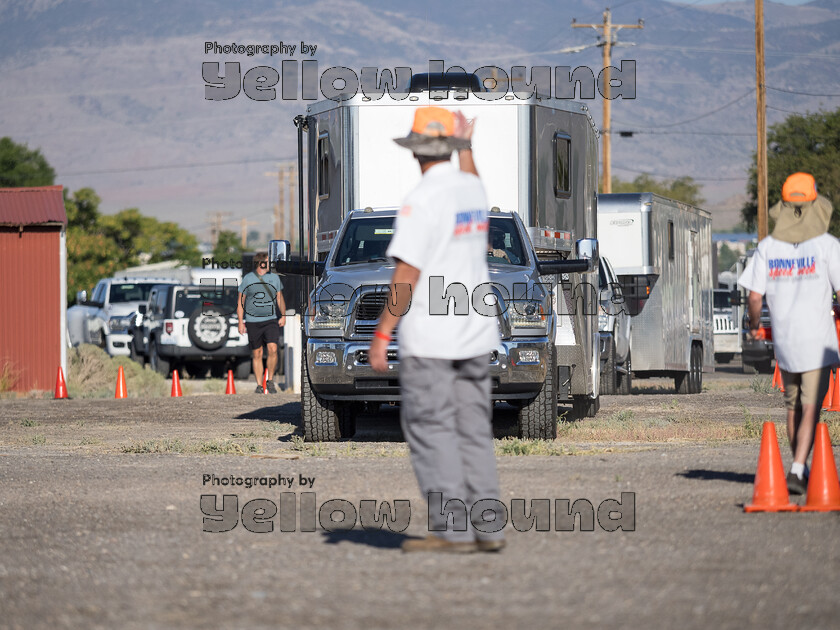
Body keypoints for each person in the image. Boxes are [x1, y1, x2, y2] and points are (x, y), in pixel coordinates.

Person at [370, 107, 504, 553]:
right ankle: (489, 527)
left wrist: (383, 332)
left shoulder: (421, 200)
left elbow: (406, 275)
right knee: (472, 429)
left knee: (432, 429)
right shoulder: (471, 189)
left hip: (430, 337)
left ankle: (453, 532)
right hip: (476, 333)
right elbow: (472, 178)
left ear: (414, 151)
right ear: (449, 147)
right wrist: (466, 146)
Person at [738, 172, 840, 495]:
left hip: (786, 342)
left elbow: (754, 297)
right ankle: (797, 469)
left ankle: (800, 464)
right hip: (819, 340)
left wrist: (754, 326)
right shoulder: (827, 246)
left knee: (792, 404)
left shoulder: (768, 248)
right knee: (811, 405)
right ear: (813, 205)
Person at [237, 252, 286, 393]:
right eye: (267, 261)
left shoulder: (274, 278)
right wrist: (241, 322)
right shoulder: (248, 279)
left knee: (273, 349)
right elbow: (240, 302)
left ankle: (270, 380)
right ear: (260, 262)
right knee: (257, 353)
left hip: (270, 320)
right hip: (252, 322)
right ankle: (259, 385)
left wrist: (283, 315)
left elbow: (279, 298)